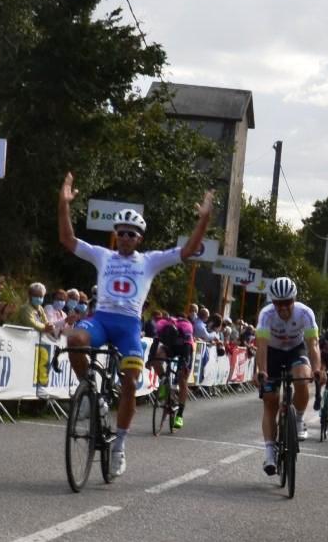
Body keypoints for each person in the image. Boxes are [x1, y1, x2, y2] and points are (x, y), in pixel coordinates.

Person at [58, 171, 212, 479]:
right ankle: (88, 390)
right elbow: (67, 239)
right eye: (122, 232)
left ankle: (119, 447)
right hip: (100, 319)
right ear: (116, 235)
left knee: (129, 381)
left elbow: (187, 251)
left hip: (128, 326)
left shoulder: (150, 260)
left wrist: (203, 221)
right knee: (74, 339)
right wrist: (63, 204)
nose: (126, 237)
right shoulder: (102, 255)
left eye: (132, 234)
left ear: (139, 238)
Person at [254, 277, 319, 471]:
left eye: (287, 302)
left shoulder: (305, 313)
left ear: (294, 299)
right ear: (272, 302)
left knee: (301, 377)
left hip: (295, 350)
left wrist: (316, 369)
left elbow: (313, 344)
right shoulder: (266, 315)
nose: (282, 307)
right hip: (272, 353)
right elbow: (262, 346)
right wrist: (262, 371)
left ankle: (298, 419)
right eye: (277, 303)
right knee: (270, 400)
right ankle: (269, 454)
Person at [146, 311, 194, 429]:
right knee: (156, 358)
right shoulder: (161, 326)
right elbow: (155, 344)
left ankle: (180, 415)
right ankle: (164, 382)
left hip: (184, 348)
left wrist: (185, 365)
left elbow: (187, 351)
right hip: (170, 347)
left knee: (183, 379)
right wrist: (150, 360)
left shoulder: (186, 328)